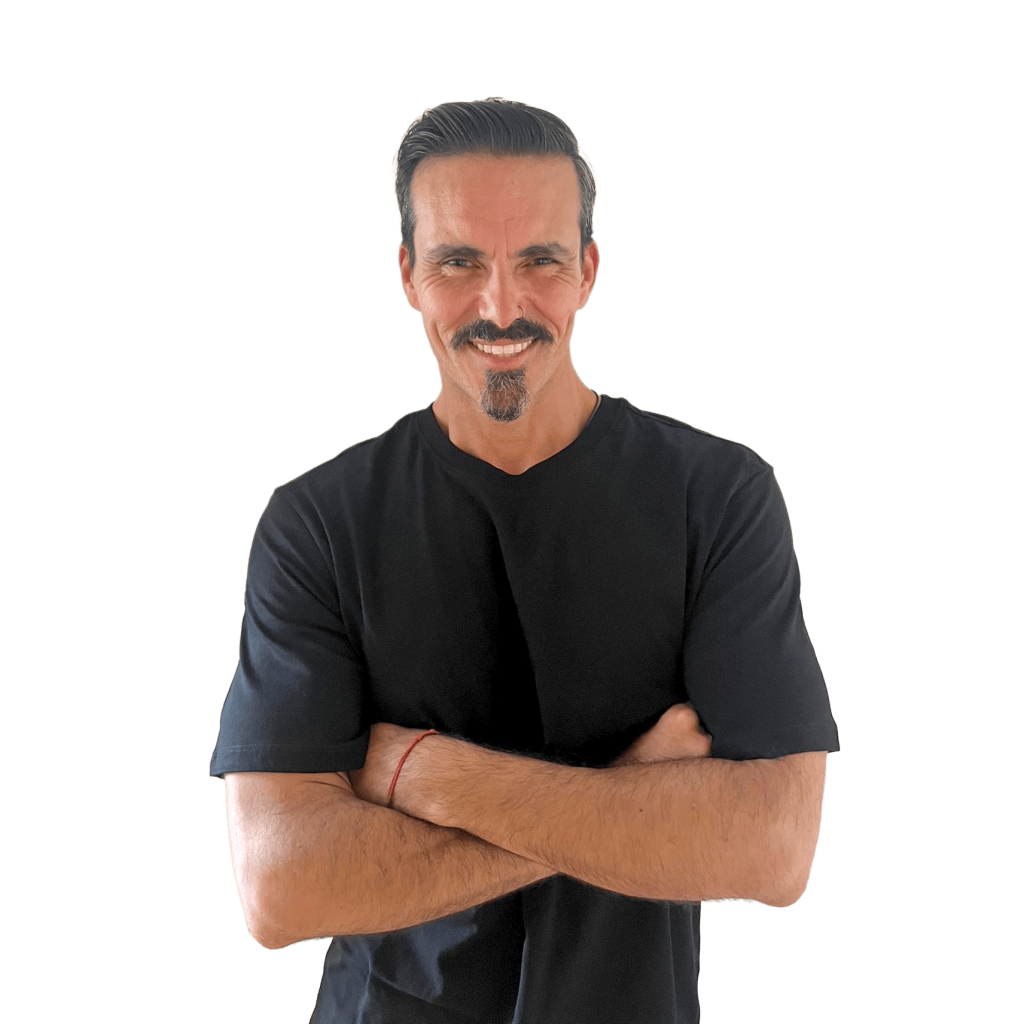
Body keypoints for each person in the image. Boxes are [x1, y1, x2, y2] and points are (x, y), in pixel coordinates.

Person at [209, 95, 840, 1023]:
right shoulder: (316, 522)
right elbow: (281, 891)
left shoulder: (717, 495)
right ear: (407, 274)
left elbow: (774, 851)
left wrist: (428, 778)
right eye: (459, 262)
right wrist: (631, 797)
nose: (500, 306)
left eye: (538, 260)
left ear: (588, 269)